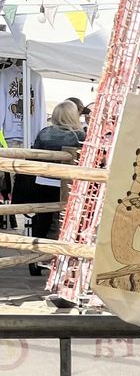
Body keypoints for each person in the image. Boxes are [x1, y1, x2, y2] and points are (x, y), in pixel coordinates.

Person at [16, 100, 84, 275]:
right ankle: (60, 259)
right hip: (67, 185)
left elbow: (34, 157)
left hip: (42, 182)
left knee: (42, 221)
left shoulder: (44, 133)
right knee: (64, 222)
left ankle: (35, 259)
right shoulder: (79, 136)